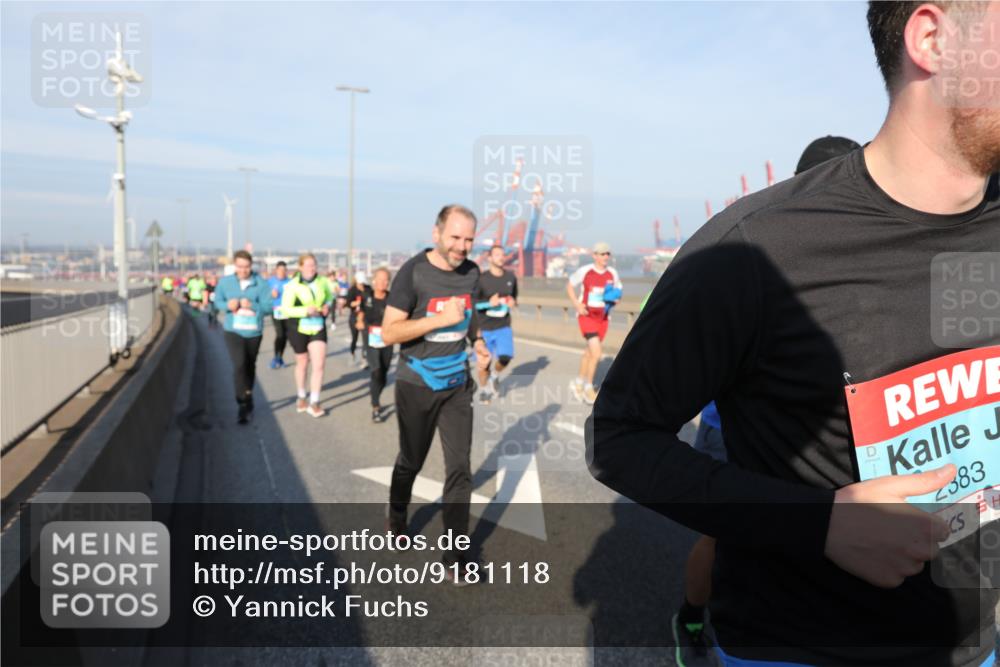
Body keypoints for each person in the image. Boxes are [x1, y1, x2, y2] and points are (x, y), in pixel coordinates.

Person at [589, 2, 1000, 665]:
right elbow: (620, 438)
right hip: (795, 647)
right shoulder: (759, 250)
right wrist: (820, 523)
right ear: (933, 39)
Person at [671, 137, 863, 667]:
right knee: (727, 535)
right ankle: (691, 615)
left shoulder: (859, 252)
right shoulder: (757, 249)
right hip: (729, 426)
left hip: (820, 427)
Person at [381, 204, 490, 582]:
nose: (462, 246)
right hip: (416, 384)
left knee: (460, 468)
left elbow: (470, 314)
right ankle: (397, 518)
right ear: (437, 234)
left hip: (456, 384)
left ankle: (455, 557)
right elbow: (389, 332)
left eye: (469, 239)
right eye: (455, 237)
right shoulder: (413, 272)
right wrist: (437, 320)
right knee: (411, 460)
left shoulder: (472, 272)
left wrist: (478, 343)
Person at [213, 250, 272, 424]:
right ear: (234, 266)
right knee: (238, 365)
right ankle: (242, 402)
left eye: (246, 267)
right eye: (240, 267)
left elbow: (268, 307)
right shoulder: (226, 283)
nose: (243, 270)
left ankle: (248, 393)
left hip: (253, 331)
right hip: (233, 331)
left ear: (251, 266)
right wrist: (228, 305)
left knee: (249, 365)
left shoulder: (261, 284)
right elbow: (217, 302)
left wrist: (253, 305)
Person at [565, 242, 622, 405]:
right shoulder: (585, 271)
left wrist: (616, 299)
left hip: (603, 318)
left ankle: (578, 383)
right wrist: (577, 303)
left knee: (589, 353)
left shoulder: (612, 273)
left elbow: (617, 291)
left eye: (607, 254)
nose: (605, 257)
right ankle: (589, 389)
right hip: (586, 316)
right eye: (602, 254)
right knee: (597, 353)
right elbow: (569, 285)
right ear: (594, 255)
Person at [281, 253, 335, 418]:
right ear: (300, 267)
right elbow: (286, 309)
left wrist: (326, 306)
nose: (311, 268)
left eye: (314, 265)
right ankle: (301, 396)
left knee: (319, 365)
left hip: (317, 326)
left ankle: (315, 402)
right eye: (308, 265)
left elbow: (330, 297)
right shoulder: (292, 286)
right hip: (298, 327)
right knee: (302, 363)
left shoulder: (323, 282)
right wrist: (305, 310)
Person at [474, 244, 518, 404]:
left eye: (502, 254)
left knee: (506, 357)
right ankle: (484, 389)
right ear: (490, 258)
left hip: (503, 325)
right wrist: (488, 303)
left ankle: (494, 376)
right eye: (497, 254)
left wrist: (513, 302)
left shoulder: (510, 277)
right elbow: (474, 304)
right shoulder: (481, 279)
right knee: (483, 364)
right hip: (484, 327)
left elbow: (514, 298)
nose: (501, 257)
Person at [357, 266, 394, 423]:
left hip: (387, 337)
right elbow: (361, 311)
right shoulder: (367, 296)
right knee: (376, 369)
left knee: (384, 373)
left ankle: (376, 396)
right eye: (379, 279)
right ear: (374, 281)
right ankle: (376, 407)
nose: (382, 283)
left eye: (386, 280)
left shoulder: (392, 298)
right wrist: (359, 320)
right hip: (370, 336)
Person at [268, 261, 292, 369]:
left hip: (287, 311)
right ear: (276, 270)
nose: (282, 272)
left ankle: (280, 357)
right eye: (280, 270)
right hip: (276, 310)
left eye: (284, 270)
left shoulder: (290, 282)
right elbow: (264, 296)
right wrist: (270, 294)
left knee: (285, 336)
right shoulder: (270, 282)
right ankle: (275, 357)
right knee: (280, 334)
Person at [347, 271, 373, 367]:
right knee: (354, 338)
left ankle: (364, 358)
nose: (361, 284)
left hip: (365, 317)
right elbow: (348, 303)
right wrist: (356, 303)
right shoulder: (352, 290)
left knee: (365, 339)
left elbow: (371, 300)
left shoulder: (368, 289)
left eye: (362, 282)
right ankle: (352, 353)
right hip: (354, 317)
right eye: (360, 282)